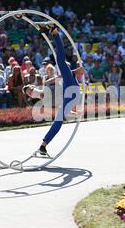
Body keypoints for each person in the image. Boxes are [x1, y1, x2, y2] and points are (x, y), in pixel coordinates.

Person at [23, 26, 85, 156]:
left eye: (30, 89)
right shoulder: (42, 92)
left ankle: (54, 33)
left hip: (70, 89)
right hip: (69, 91)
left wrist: (76, 71)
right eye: (29, 92)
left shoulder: (48, 82)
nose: (30, 91)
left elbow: (66, 75)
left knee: (60, 61)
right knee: (59, 119)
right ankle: (44, 145)